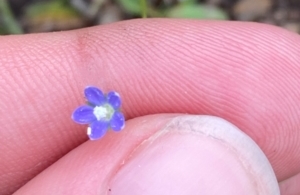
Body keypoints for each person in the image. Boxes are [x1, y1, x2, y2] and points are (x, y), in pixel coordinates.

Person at [0, 19, 299, 195]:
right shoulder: (107, 117)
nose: (102, 112)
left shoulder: (112, 113)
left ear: (109, 106)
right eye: (102, 110)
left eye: (105, 110)